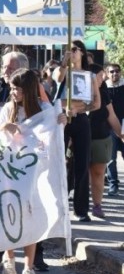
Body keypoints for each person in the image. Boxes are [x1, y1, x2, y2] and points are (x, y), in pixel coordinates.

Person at [0, 68, 68, 274]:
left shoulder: (45, 109)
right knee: (10, 214)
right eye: (12, 87)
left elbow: (52, 135)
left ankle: (28, 266)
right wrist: (5, 126)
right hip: (10, 170)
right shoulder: (8, 108)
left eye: (17, 88)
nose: (12, 91)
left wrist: (61, 120)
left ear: (28, 89)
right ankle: (9, 257)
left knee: (31, 215)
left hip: (35, 171)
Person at [53, 40, 100, 222]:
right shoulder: (62, 71)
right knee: (58, 162)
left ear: (81, 52)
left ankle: (81, 210)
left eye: (73, 50)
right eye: (67, 50)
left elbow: (96, 103)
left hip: (79, 118)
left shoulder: (89, 75)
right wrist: (64, 63)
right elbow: (58, 78)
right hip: (61, 119)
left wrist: (77, 110)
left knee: (82, 164)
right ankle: (57, 207)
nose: (70, 52)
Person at [86, 64, 123, 219]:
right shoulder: (80, 90)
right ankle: (82, 205)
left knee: (99, 172)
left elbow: (111, 115)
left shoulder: (104, 91)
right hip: (82, 137)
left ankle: (97, 205)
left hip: (101, 137)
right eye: (100, 75)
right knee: (83, 174)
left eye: (103, 75)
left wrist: (120, 134)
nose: (103, 78)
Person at [105, 63, 124, 196]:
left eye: (117, 71)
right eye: (111, 71)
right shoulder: (104, 88)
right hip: (110, 127)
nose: (114, 74)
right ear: (107, 73)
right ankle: (113, 185)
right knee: (111, 159)